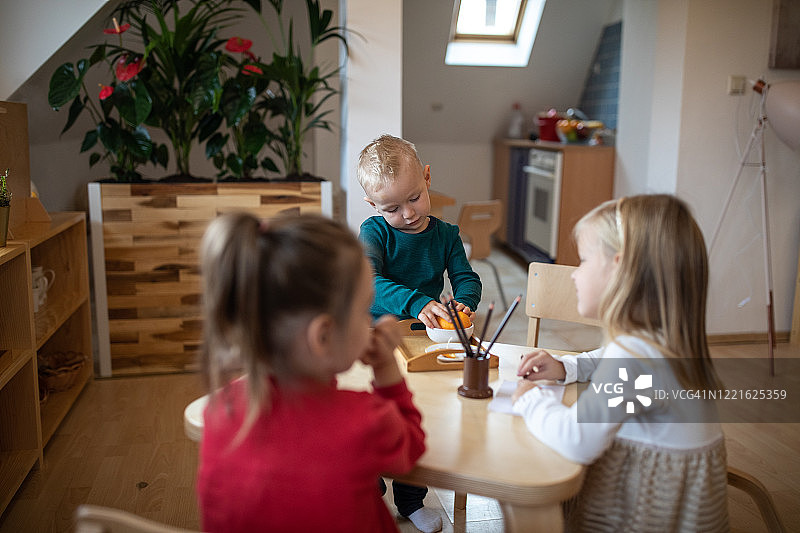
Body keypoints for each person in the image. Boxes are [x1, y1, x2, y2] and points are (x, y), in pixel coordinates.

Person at [196, 212, 426, 533]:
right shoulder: (364, 420)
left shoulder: (220, 410)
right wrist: (386, 367)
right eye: (364, 310)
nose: (370, 321)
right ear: (323, 337)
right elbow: (411, 450)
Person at [513, 195, 729, 532]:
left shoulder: (633, 354)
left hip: (644, 510)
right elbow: (620, 366)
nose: (574, 275)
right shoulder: (661, 338)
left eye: (583, 261)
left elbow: (576, 440)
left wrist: (529, 399)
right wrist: (568, 367)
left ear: (619, 267)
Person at [357, 134, 482, 532]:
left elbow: (466, 278)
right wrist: (415, 301)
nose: (408, 214)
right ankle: (367, 494)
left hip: (422, 340)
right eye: (392, 208)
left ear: (427, 178)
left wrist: (464, 301)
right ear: (373, 206)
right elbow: (370, 282)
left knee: (416, 418)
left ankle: (411, 501)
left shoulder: (445, 235)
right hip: (374, 339)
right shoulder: (374, 232)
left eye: (414, 198)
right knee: (369, 419)